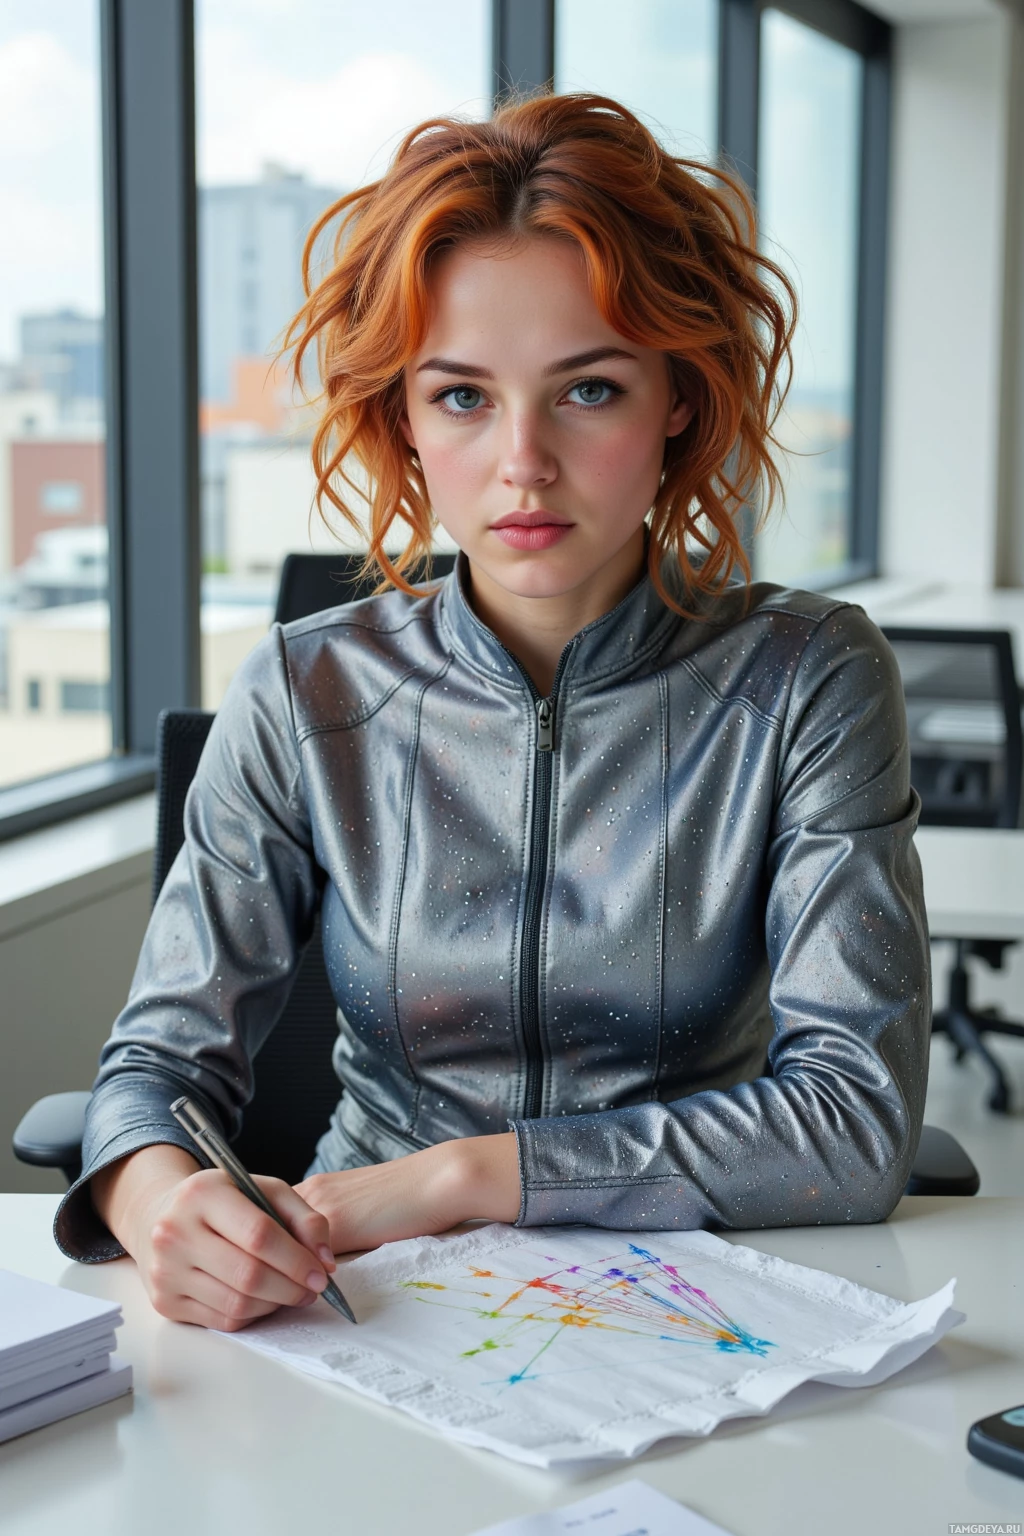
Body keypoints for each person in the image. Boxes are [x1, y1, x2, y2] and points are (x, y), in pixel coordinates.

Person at [54, 93, 930, 1334]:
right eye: (461, 396)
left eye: (587, 391)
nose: (522, 462)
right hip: (360, 1298)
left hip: (708, 1293)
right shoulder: (307, 690)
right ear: (404, 419)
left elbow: (849, 1124)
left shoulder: (806, 679)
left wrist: (457, 1178)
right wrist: (158, 1208)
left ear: (677, 398)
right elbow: (152, 1072)